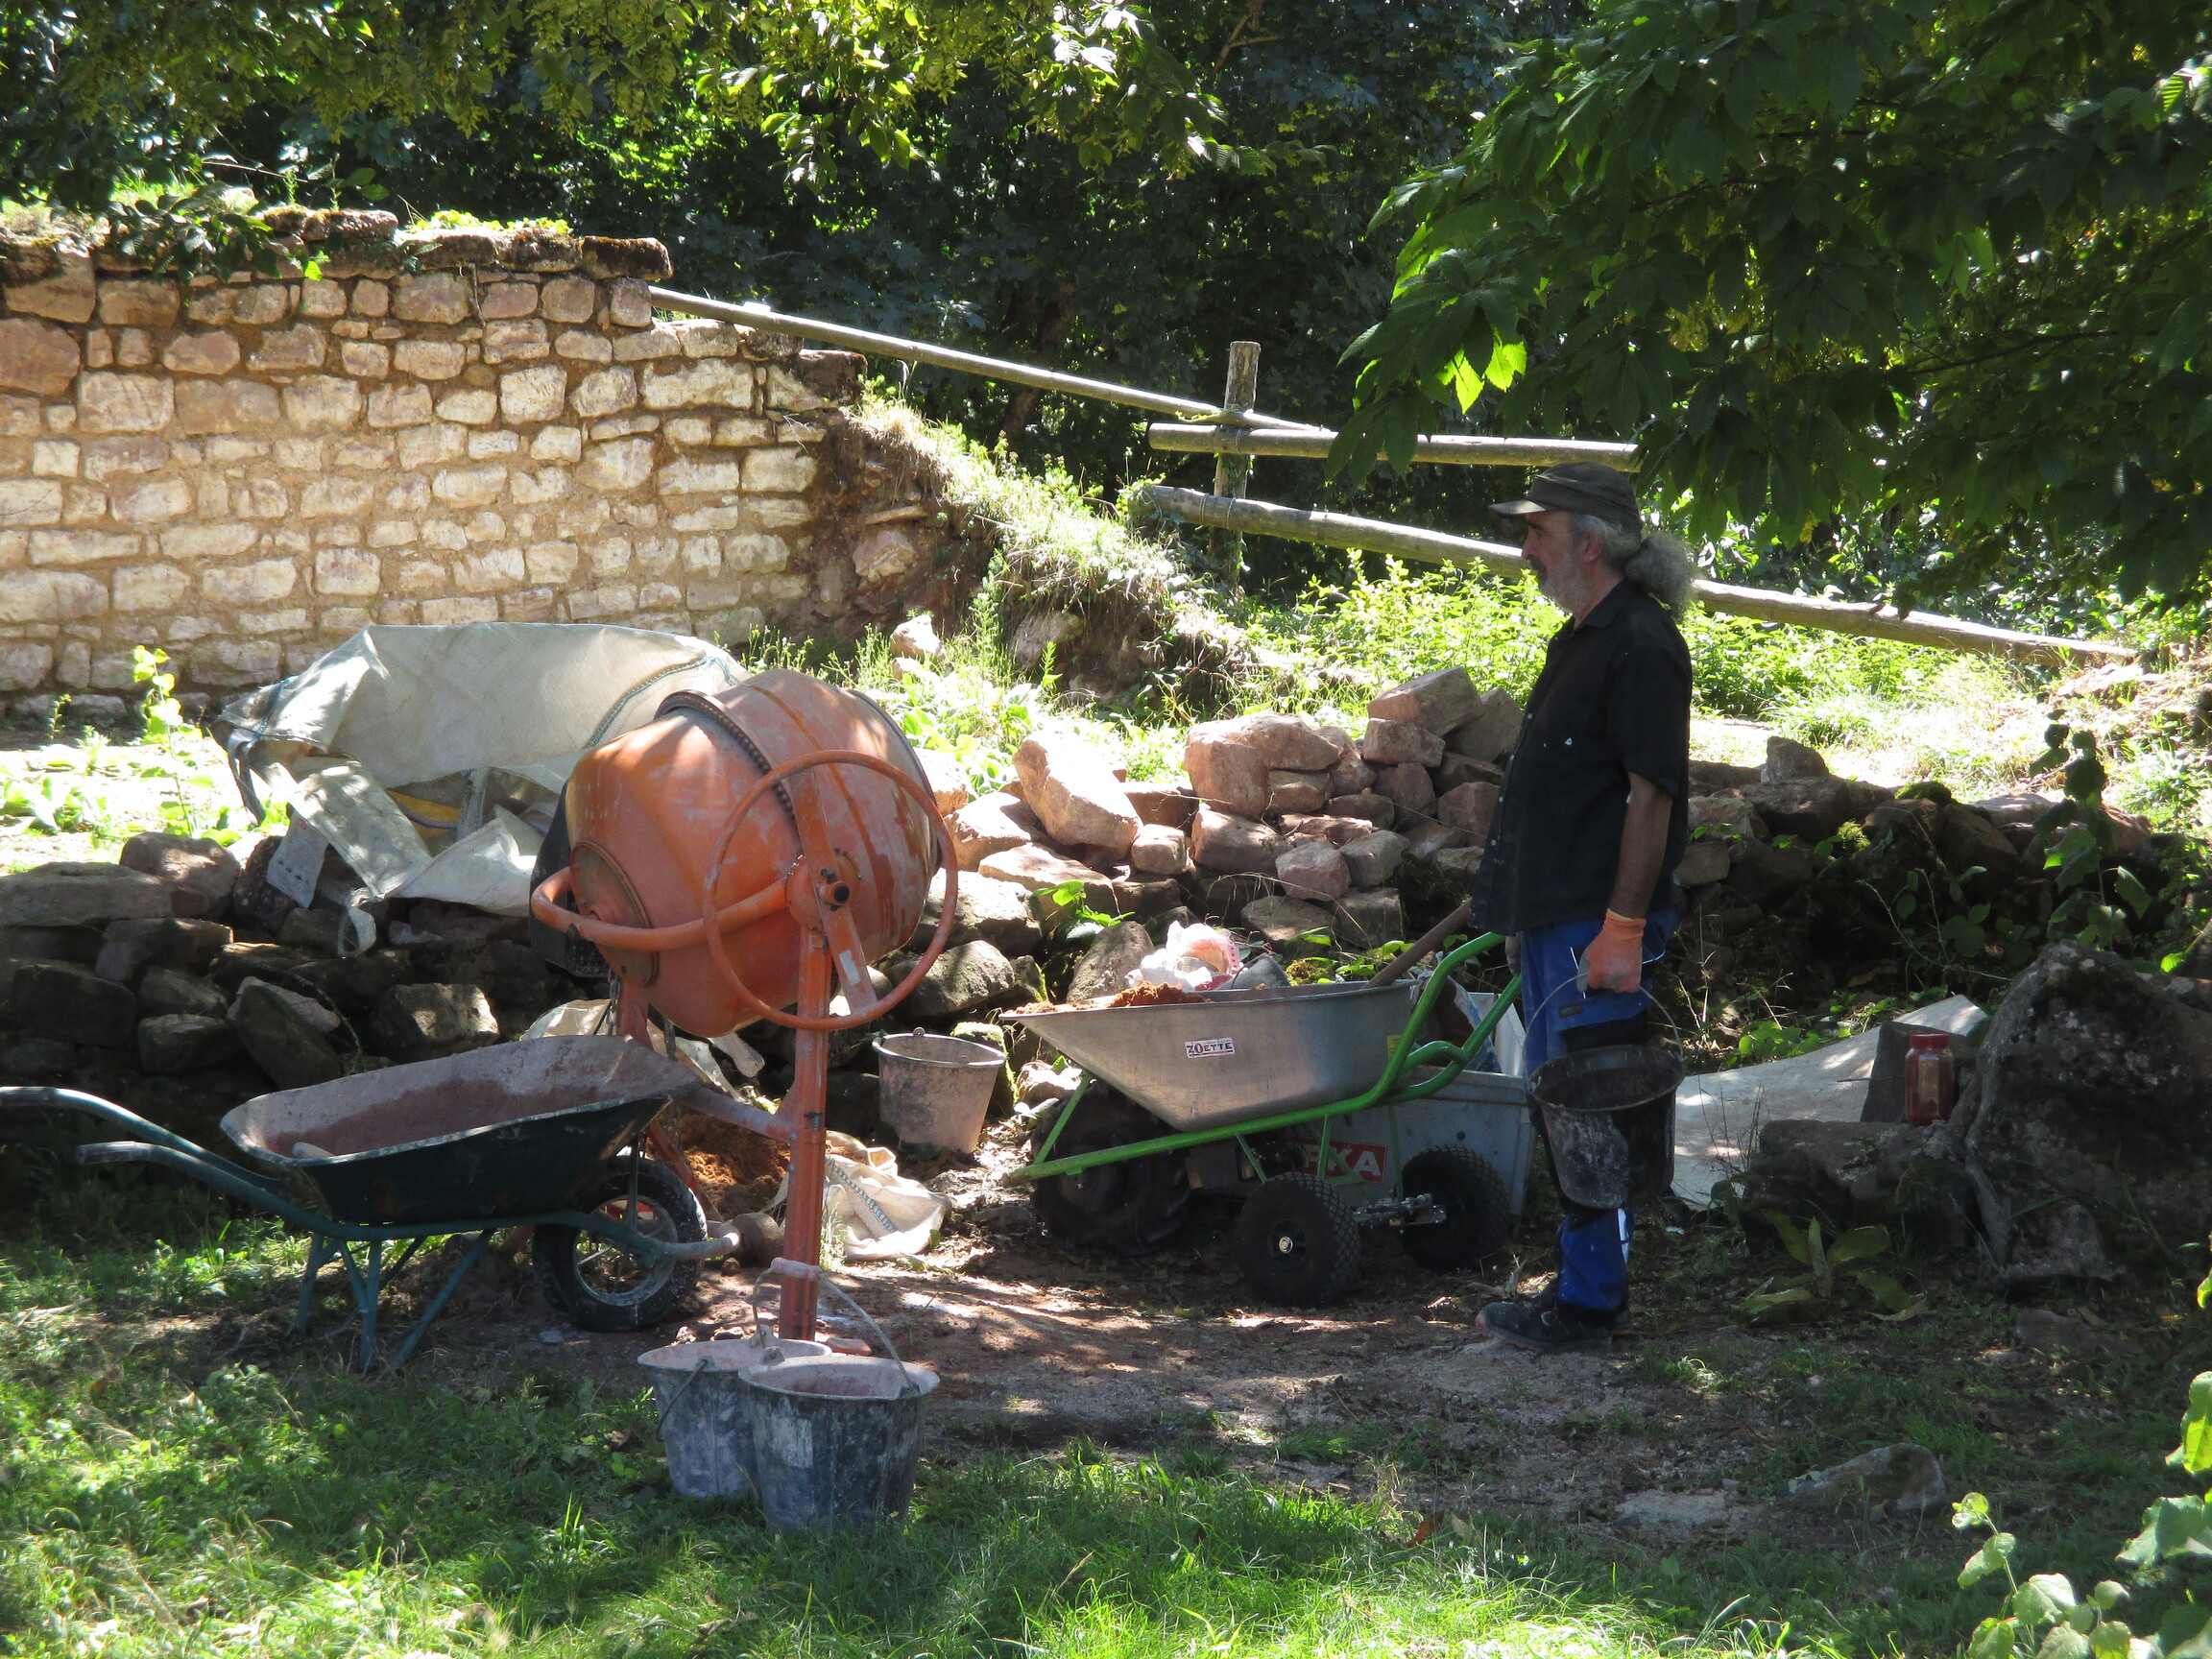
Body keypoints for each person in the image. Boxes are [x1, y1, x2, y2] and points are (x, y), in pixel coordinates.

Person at [1469, 462, 1695, 1354]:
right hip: (1557, 917)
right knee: (1563, 1103)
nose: (1526, 547)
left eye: (1539, 531)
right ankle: (1583, 1278)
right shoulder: (1586, 635)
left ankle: (1591, 1303)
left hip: (1594, 925)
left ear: (1590, 544)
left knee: (1587, 1107)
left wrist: (1623, 931)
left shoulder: (1641, 644)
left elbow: (1651, 798)